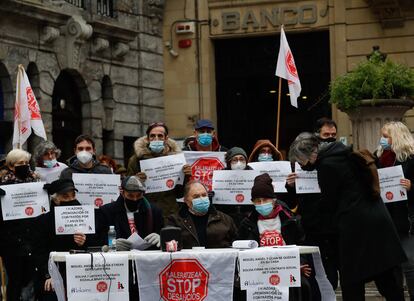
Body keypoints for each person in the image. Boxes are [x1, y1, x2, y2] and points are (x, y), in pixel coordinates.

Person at [289, 133, 406, 300]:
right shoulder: (340, 153)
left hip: (356, 228)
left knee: (352, 281)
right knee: (387, 277)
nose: (301, 165)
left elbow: (330, 203)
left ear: (308, 155)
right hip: (377, 220)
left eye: (300, 162)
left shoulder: (326, 165)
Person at [238, 173, 312, 300]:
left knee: (303, 285)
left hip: (287, 268)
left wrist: (298, 265)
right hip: (258, 271)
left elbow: (301, 244)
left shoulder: (290, 220)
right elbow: (241, 251)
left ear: (273, 200)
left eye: (265, 200)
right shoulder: (247, 224)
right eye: (257, 201)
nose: (261, 204)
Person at [35, 179, 105, 300]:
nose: (71, 199)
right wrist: (49, 275)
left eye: (73, 195)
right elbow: (39, 252)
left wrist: (85, 241)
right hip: (55, 270)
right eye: (65, 197)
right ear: (56, 199)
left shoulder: (86, 216)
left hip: (83, 271)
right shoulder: (43, 221)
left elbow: (99, 245)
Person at [285, 132, 339, 289]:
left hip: (331, 227)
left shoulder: (327, 165)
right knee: (314, 273)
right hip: (310, 229)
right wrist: (290, 186)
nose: (302, 163)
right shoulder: (298, 168)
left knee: (331, 273)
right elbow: (292, 203)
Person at [99, 175, 164, 300]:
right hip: (118, 267)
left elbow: (165, 235)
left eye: (138, 196)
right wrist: (109, 245)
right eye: (130, 196)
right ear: (122, 192)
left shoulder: (154, 211)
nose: (135, 199)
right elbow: (97, 239)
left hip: (147, 265)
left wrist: (160, 237)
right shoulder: (106, 211)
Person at [375, 121, 414, 300]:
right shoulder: (380, 158)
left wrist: (412, 186)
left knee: (410, 264)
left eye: (386, 136)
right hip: (386, 218)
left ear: (396, 137)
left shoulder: (411, 158)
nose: (383, 140)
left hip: (406, 218)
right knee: (392, 265)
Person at [0, 149, 40, 301]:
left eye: (26, 163)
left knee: (29, 278)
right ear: (11, 166)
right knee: (15, 280)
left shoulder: (35, 182)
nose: (24, 166)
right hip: (11, 242)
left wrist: (46, 193)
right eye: (20, 163)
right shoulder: (3, 185)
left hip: (32, 238)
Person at [126, 122, 182, 217]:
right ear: (147, 139)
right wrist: (136, 180)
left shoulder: (176, 160)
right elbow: (127, 188)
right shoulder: (135, 160)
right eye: (152, 136)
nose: (156, 139)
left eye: (160, 136)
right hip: (146, 211)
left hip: (170, 213)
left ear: (166, 139)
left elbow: (180, 192)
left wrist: (186, 175)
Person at [166, 180, 237, 248]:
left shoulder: (225, 219)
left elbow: (237, 243)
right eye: (196, 196)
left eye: (204, 195)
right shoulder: (175, 221)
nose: (202, 199)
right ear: (186, 201)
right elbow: (169, 243)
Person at [215, 147, 254, 226]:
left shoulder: (254, 176)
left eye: (242, 159)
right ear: (229, 162)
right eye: (235, 160)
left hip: (248, 219)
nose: (238, 162)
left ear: (246, 161)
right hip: (227, 220)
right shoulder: (220, 178)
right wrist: (213, 196)